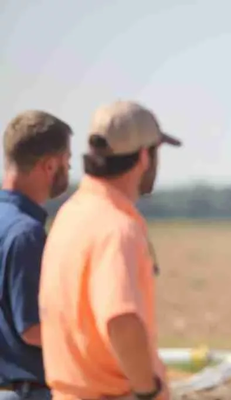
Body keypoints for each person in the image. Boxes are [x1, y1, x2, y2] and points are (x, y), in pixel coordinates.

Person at [38, 101, 181, 400]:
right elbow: (121, 320)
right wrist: (148, 391)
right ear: (145, 156)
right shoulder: (117, 228)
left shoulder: (71, 213)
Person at [0, 110, 72, 400]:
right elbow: (32, 328)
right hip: (24, 392)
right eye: (67, 161)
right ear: (50, 165)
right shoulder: (26, 233)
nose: (69, 168)